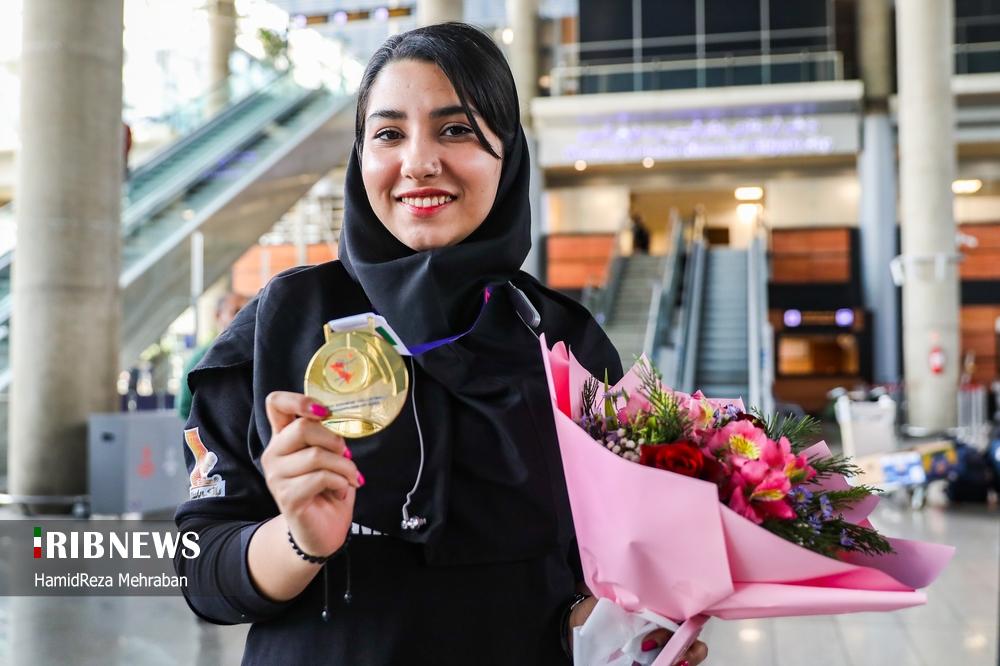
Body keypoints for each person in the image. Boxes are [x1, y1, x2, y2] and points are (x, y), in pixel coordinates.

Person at [173, 23, 708, 666]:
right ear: (360, 157)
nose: (419, 162)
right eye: (388, 134)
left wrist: (623, 629)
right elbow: (201, 569)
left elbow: (598, 572)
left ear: (507, 152)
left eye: (455, 129)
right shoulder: (281, 325)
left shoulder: (564, 341)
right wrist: (297, 539)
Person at [177, 291, 249, 420]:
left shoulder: (254, 354)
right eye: (236, 311)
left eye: (246, 311)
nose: (243, 317)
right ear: (218, 315)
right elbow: (184, 407)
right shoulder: (201, 357)